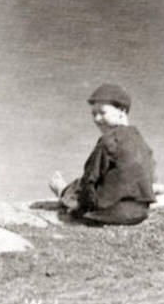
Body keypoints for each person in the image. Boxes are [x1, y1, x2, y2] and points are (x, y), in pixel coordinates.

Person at [49, 83, 156, 226]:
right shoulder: (140, 140)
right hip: (140, 213)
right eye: (94, 114)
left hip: (111, 213)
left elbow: (90, 179)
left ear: (122, 110)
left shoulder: (109, 140)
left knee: (82, 184)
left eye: (102, 113)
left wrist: (77, 205)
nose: (97, 119)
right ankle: (66, 190)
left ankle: (62, 190)